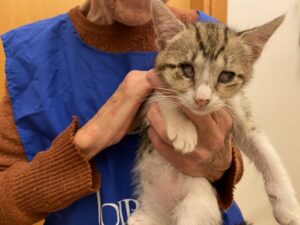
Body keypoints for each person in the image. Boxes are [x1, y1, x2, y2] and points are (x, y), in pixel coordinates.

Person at [0, 0, 245, 224]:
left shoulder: (212, 35)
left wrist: (220, 164)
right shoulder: (32, 56)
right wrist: (88, 140)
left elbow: (232, 159)